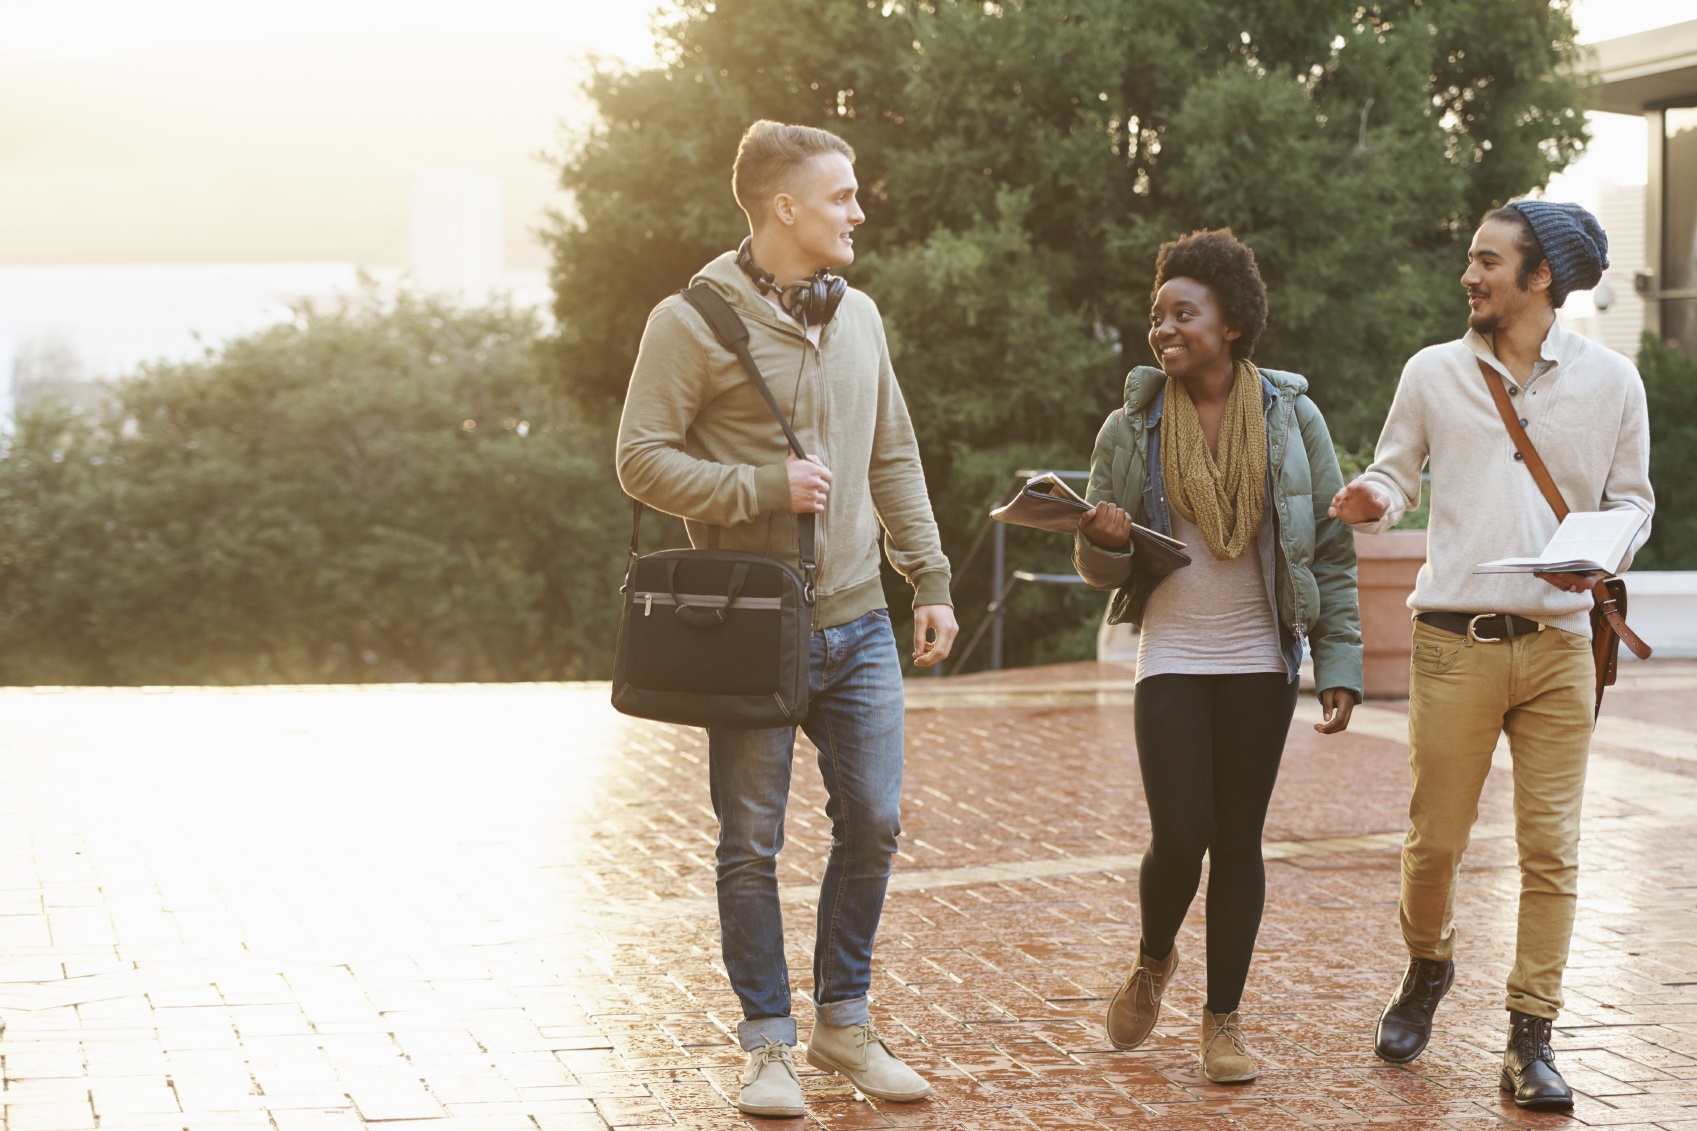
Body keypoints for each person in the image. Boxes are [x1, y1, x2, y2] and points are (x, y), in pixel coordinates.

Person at [615, 120, 957, 1119]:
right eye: (842, 195)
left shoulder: (860, 318)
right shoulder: (688, 323)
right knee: (748, 843)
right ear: (784, 209)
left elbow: (891, 453)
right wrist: (758, 484)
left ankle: (843, 1025)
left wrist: (927, 577)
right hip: (748, 627)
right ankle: (766, 1043)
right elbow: (639, 461)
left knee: (876, 822)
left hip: (859, 623)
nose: (858, 210)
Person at [1330, 200, 1653, 1110]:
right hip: (1455, 644)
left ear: (1539, 276)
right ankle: (1427, 964)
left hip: (1557, 645)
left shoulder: (1613, 381)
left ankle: (1529, 1035)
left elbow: (1634, 501)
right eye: (1469, 261)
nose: (1468, 276)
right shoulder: (1433, 372)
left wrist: (1602, 547)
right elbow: (1395, 472)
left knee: (1550, 848)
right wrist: (1369, 495)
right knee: (1434, 842)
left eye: (1485, 261)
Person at [1074, 229, 1363, 1083]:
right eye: (1156, 313)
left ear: (1230, 322)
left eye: (1182, 312)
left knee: (1237, 837)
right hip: (1169, 652)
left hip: (1256, 658)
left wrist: (1337, 664)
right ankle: (1152, 956)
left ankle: (1222, 1020)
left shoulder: (1291, 417)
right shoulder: (1130, 427)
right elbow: (1097, 568)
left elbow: (1331, 554)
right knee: (1179, 832)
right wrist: (1103, 537)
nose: (1163, 327)